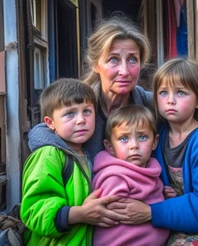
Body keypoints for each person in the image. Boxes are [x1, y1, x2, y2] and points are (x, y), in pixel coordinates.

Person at [27, 15, 152, 226]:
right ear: (96, 65)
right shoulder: (82, 106)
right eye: (113, 59)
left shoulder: (149, 104)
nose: (124, 70)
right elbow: (39, 133)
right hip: (88, 224)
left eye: (132, 59)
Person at [109, 58, 198, 246]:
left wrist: (151, 211)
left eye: (181, 93)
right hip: (167, 228)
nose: (170, 100)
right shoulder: (158, 137)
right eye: (163, 92)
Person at [20, 78, 126, 245]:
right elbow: (34, 210)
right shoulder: (49, 155)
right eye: (70, 113)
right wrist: (80, 214)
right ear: (50, 123)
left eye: (87, 111)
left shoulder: (88, 153)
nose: (81, 120)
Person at [92, 105, 170, 246]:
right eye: (124, 139)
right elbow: (109, 213)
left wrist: (165, 200)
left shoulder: (152, 170)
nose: (134, 145)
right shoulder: (115, 177)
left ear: (155, 142)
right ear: (110, 147)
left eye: (142, 137)